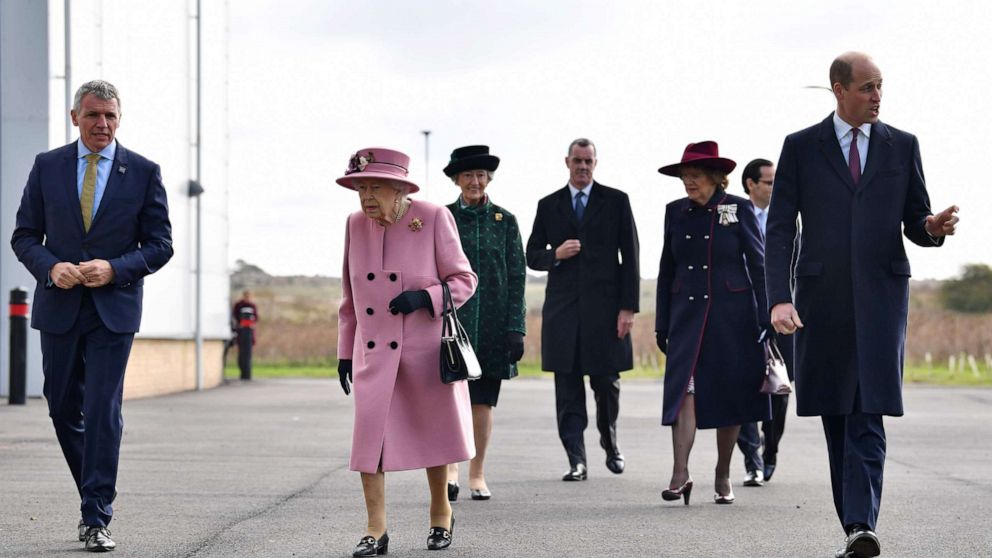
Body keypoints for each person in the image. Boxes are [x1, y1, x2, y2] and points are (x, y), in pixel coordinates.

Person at [765, 52, 959, 558]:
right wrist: (779, 299)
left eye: (881, 87)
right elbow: (782, 228)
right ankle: (854, 524)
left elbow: (916, 219)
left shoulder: (903, 146)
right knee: (837, 413)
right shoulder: (801, 148)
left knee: (868, 411)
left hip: (880, 299)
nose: (877, 96)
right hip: (820, 301)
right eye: (868, 87)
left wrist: (931, 229)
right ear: (839, 89)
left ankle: (860, 525)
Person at [10, 79, 174, 552]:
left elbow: (161, 244)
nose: (102, 124)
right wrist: (50, 267)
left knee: (103, 410)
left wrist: (115, 268)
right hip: (59, 306)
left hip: (113, 310)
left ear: (119, 120)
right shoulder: (47, 167)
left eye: (111, 117)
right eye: (93, 115)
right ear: (75, 117)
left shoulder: (143, 172)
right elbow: (24, 235)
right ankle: (92, 491)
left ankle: (96, 514)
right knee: (62, 406)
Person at [335, 147, 478, 556]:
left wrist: (426, 297)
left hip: (425, 351)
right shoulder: (354, 225)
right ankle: (375, 530)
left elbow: (465, 280)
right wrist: (346, 351)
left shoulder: (432, 217)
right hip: (374, 353)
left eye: (375, 186)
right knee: (369, 443)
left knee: (434, 437)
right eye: (360, 187)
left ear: (399, 190)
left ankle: (440, 515)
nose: (366, 196)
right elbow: (349, 298)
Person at [654, 141, 771, 506]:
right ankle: (680, 473)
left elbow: (758, 263)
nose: (688, 183)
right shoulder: (675, 212)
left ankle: (722, 472)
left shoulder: (737, 208)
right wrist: (662, 322)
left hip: (733, 318)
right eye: (685, 177)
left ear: (716, 178)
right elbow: (665, 269)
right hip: (686, 317)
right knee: (683, 393)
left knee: (730, 395)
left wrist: (767, 314)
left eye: (695, 177)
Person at [526, 138, 639, 481]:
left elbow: (631, 257)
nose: (583, 166)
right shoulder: (549, 205)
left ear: (596, 163)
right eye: (577, 160)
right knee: (567, 386)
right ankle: (576, 459)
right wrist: (555, 255)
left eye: (588, 161)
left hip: (606, 312)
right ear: (567, 162)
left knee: (607, 383)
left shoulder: (616, 201)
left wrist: (628, 309)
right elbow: (530, 255)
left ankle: (610, 441)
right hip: (563, 313)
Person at [442, 145, 527, 502]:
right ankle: (450, 469)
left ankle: (477, 473)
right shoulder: (441, 217)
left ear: (488, 178)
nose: (475, 181)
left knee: (482, 403)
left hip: (493, 325)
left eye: (480, 175)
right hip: (451, 324)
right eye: (467, 175)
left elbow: (517, 275)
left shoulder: (505, 221)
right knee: (448, 399)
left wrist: (516, 327)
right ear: (457, 179)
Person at [735, 158, 795, 486]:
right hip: (742, 313)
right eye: (769, 182)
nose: (774, 187)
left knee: (779, 390)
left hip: (782, 316)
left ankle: (770, 449)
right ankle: (752, 458)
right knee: (745, 388)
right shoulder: (734, 215)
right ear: (750, 184)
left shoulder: (789, 221)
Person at [229, 289, 258, 380]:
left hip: (249, 331)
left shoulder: (252, 306)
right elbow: (235, 316)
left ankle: (248, 374)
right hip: (241, 331)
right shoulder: (239, 305)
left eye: (249, 296)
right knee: (241, 353)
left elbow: (256, 317)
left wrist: (252, 322)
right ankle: (242, 373)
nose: (247, 298)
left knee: (248, 353)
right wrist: (239, 323)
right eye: (246, 296)